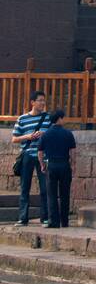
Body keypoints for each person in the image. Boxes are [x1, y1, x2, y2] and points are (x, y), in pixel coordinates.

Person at [12, 90, 51, 228]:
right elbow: (14, 138)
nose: (42, 103)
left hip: (43, 156)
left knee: (45, 188)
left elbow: (52, 134)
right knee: (24, 187)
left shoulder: (48, 118)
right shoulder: (22, 119)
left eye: (43, 100)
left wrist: (44, 135)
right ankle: (23, 218)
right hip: (27, 155)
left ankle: (45, 218)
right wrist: (27, 137)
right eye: (40, 100)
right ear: (32, 102)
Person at [37, 109, 76, 229]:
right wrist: (73, 165)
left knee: (51, 194)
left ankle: (53, 221)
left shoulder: (46, 134)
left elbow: (40, 152)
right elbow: (73, 153)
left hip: (51, 165)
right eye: (63, 118)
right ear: (59, 118)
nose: (64, 120)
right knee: (65, 193)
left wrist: (42, 165)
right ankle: (64, 221)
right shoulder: (68, 134)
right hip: (64, 164)